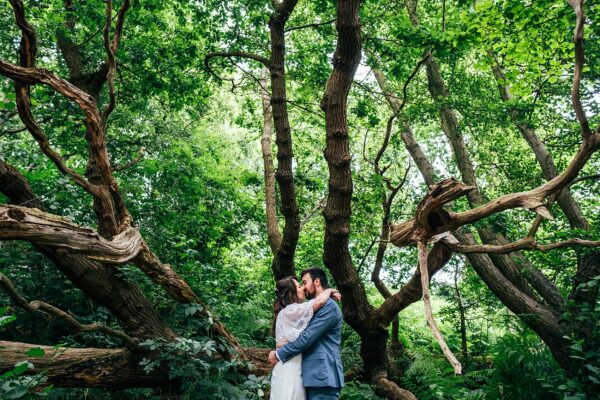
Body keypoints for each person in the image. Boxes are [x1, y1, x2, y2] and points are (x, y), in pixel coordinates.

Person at [269, 268, 344, 400]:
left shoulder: (329, 307)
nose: (303, 287)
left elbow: (307, 338)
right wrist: (330, 291)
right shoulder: (305, 310)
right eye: (300, 285)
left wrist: (278, 354)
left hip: (323, 375)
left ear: (317, 282)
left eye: (304, 282)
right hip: (309, 375)